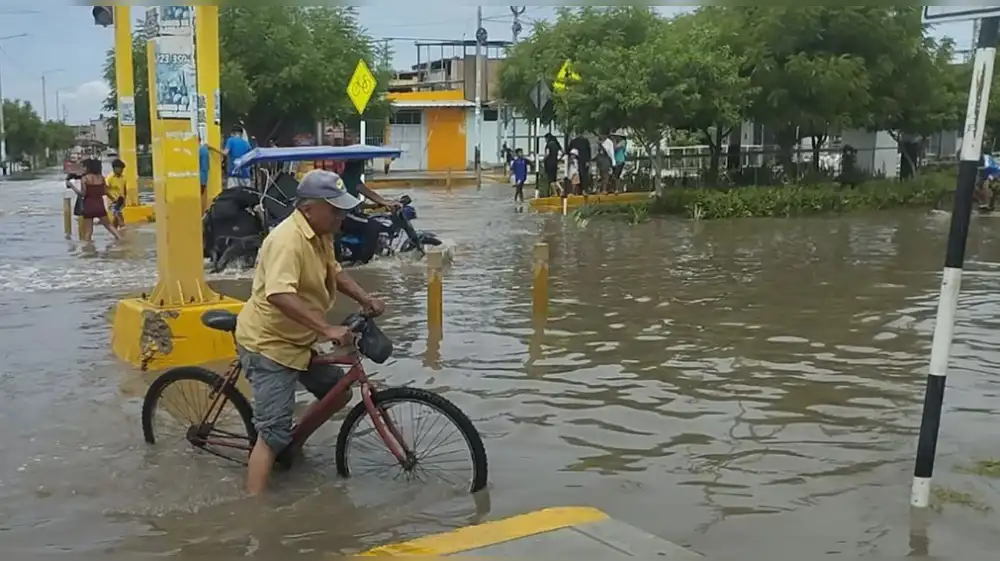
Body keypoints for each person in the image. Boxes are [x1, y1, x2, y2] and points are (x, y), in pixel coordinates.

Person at [235, 169, 387, 496]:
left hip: (300, 339)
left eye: (342, 208)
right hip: (269, 345)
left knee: (338, 392)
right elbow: (279, 293)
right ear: (308, 208)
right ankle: (255, 516)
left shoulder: (321, 234)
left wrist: (366, 298)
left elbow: (335, 272)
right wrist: (328, 328)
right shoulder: (286, 240)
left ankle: (293, 446)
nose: (341, 216)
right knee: (271, 435)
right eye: (334, 209)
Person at [339, 158, 401, 263]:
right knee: (374, 225)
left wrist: (374, 206)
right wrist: (387, 203)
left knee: (375, 219)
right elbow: (369, 193)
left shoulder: (348, 178)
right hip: (346, 216)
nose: (363, 168)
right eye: (362, 165)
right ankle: (365, 259)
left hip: (350, 214)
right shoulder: (350, 178)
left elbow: (356, 202)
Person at [69, 158, 122, 242]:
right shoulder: (101, 178)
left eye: (85, 167)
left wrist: (72, 187)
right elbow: (105, 191)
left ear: (89, 168)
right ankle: (121, 240)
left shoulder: (85, 178)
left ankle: (88, 250)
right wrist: (113, 199)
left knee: (88, 232)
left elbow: (83, 194)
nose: (84, 169)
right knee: (109, 226)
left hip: (88, 206)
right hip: (99, 206)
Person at [105, 159, 128, 229]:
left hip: (120, 201)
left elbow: (124, 189)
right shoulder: (109, 178)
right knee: (119, 216)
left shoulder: (123, 178)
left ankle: (114, 233)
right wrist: (112, 199)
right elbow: (105, 190)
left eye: (122, 169)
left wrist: (124, 200)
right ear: (115, 168)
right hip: (112, 201)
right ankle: (123, 229)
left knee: (115, 220)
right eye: (120, 169)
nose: (121, 171)